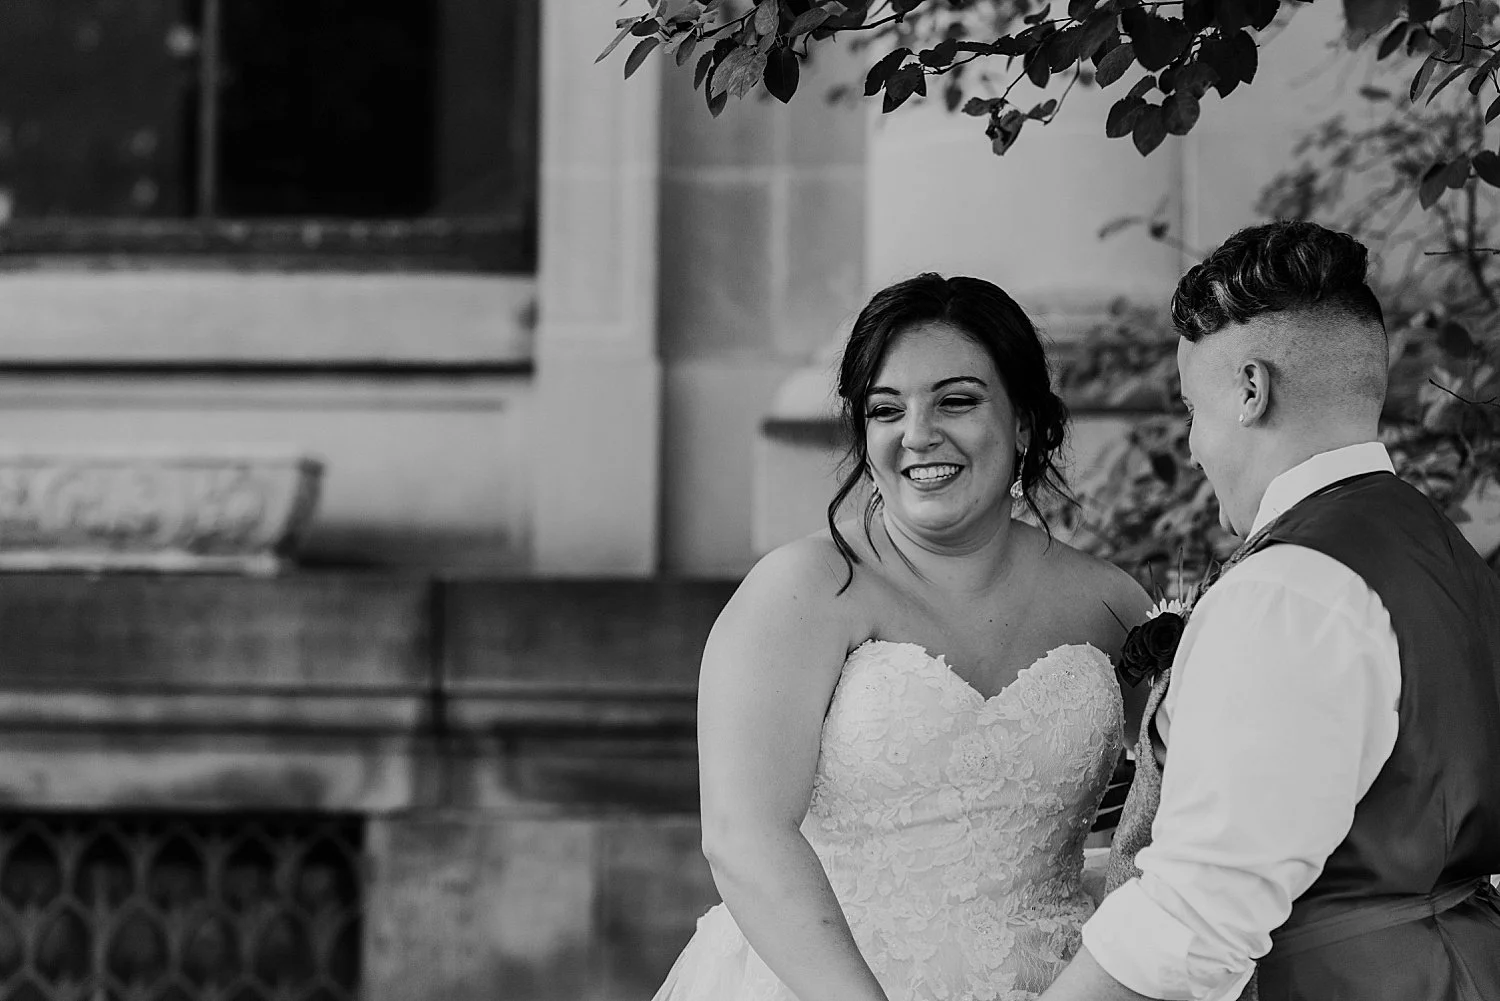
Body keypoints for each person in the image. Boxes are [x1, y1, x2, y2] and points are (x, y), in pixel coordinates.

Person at [650, 273, 1153, 1001]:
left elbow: (1173, 810)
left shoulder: (1111, 605)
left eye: (957, 400)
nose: (918, 433)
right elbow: (743, 836)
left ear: (1023, 423)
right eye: (887, 410)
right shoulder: (802, 590)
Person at [1039, 221, 1500, 1001]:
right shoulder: (1440, 550)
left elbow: (1192, 923)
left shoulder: (1284, 591)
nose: (1191, 447)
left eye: (1192, 407)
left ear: (1250, 389)